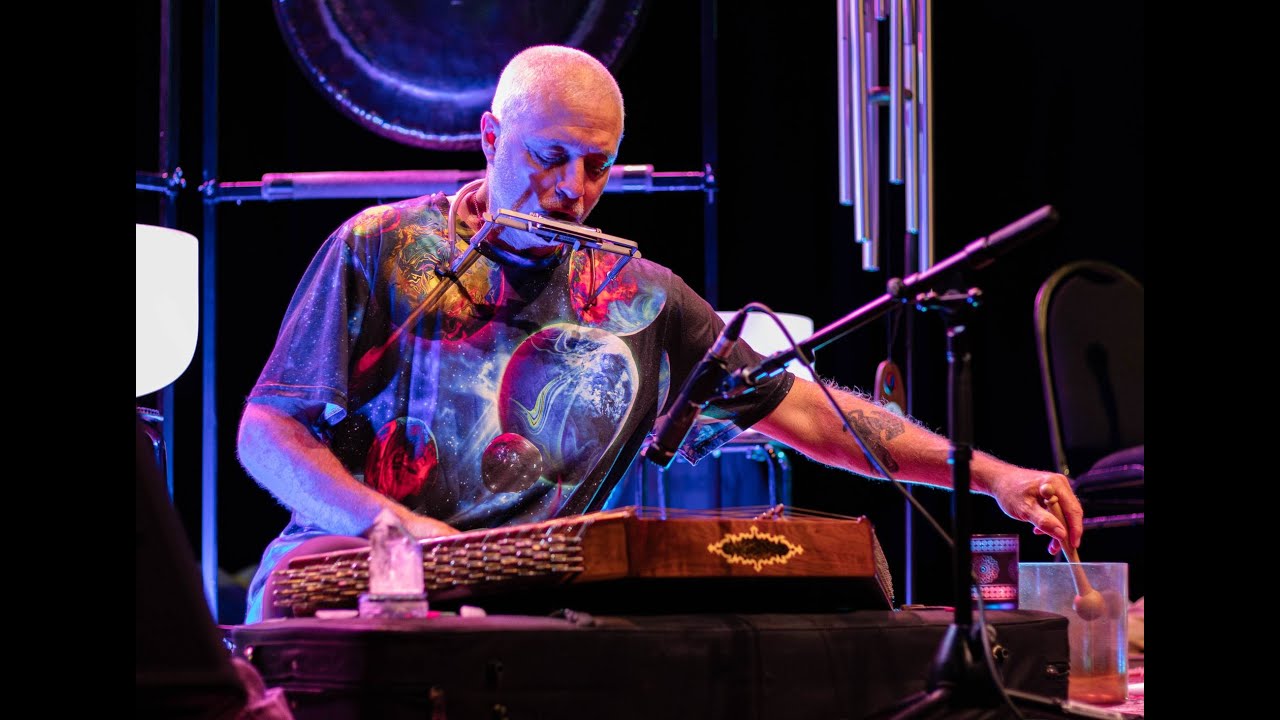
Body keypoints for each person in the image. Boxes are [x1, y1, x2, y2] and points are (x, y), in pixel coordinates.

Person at [237, 44, 1083, 622]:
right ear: (491, 139)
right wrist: (401, 533)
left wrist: (994, 475)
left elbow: (815, 419)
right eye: (548, 156)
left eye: (596, 164)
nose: (572, 189)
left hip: (524, 617)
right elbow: (265, 432)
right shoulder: (381, 246)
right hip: (348, 591)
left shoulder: (643, 298)